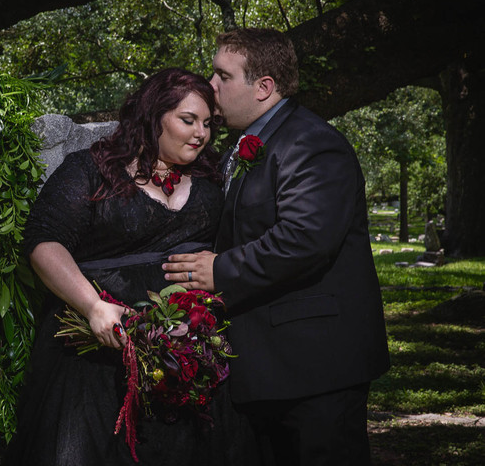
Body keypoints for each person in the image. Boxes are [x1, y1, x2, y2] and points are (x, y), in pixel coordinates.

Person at [2, 68, 255, 466]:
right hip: (98, 355)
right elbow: (43, 243)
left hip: (187, 356)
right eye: (188, 120)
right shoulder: (91, 169)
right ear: (154, 117)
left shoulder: (210, 181)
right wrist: (92, 306)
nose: (201, 133)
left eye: (207, 123)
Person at [163, 28, 391, 466]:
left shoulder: (312, 143)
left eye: (222, 76)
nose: (210, 86)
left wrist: (221, 271)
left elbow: (305, 240)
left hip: (316, 366)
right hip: (268, 366)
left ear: (264, 87)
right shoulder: (246, 144)